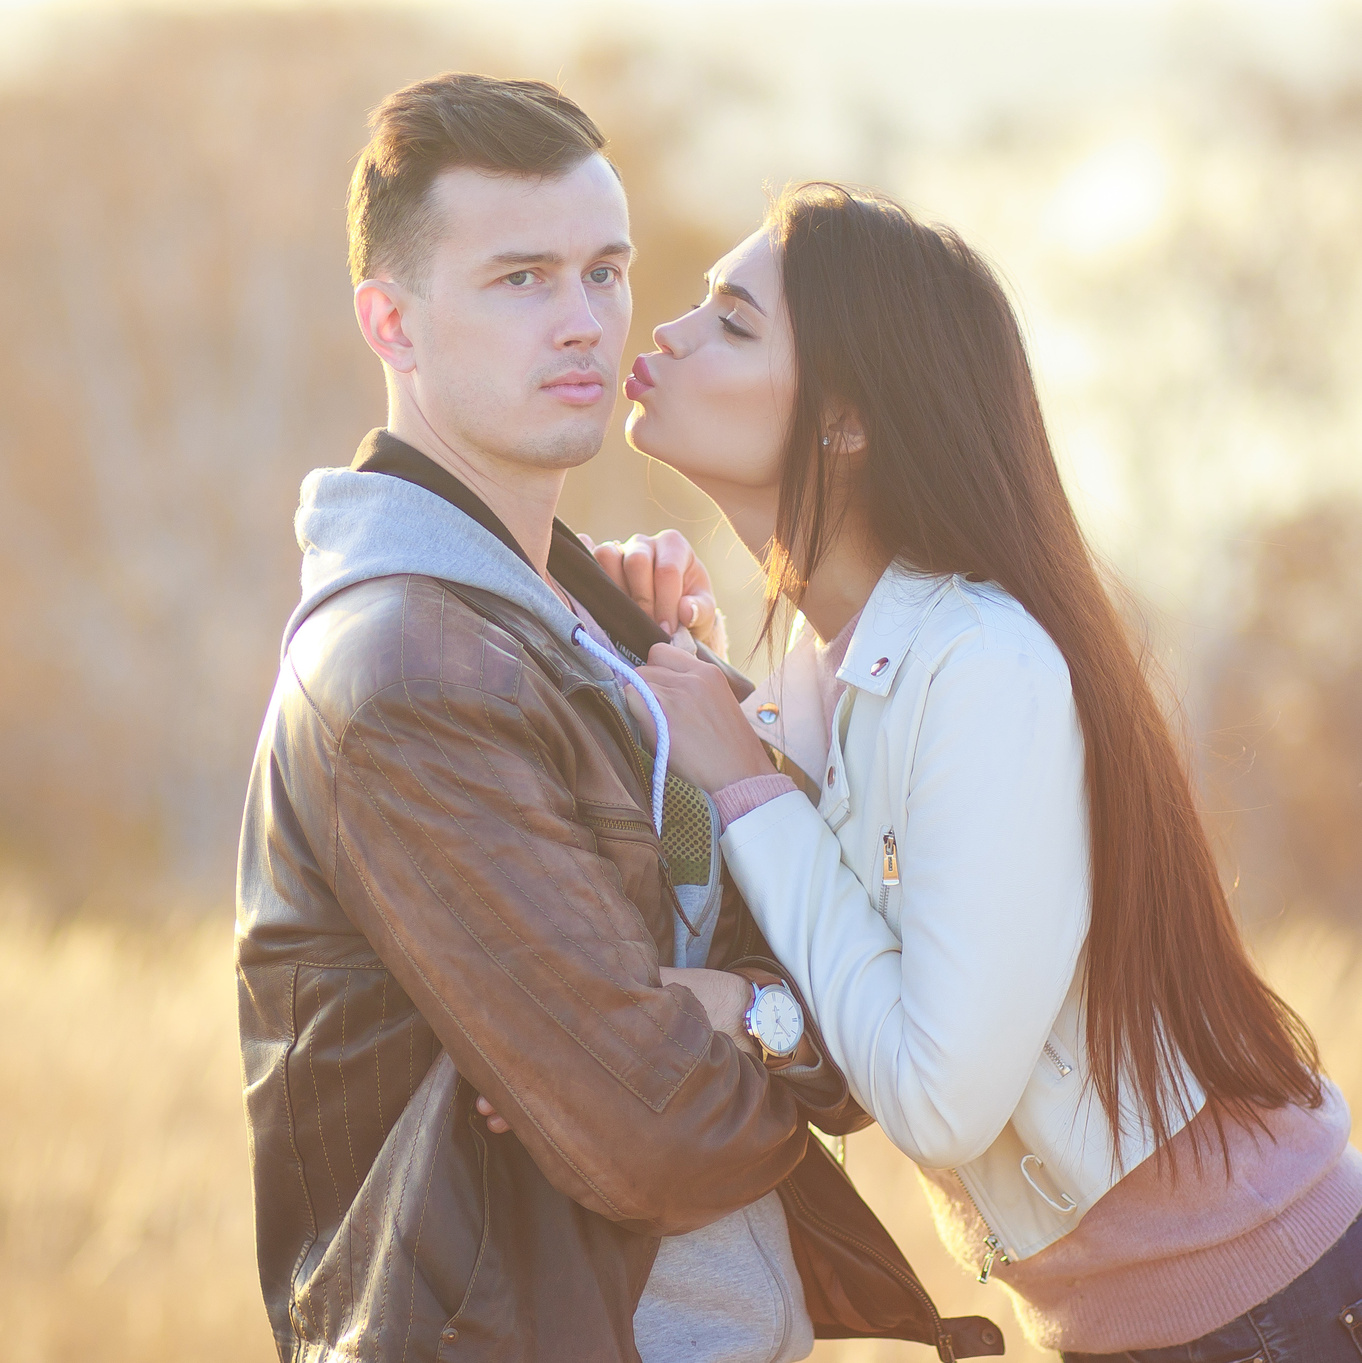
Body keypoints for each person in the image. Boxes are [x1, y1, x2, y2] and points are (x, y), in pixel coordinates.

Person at [235, 77, 1004, 1363]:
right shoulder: (407, 675)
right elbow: (646, 1126)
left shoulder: (587, 629)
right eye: (521, 280)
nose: (585, 322)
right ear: (393, 321)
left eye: (604, 271)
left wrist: (729, 1003)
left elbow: (843, 953)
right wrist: (787, 1029)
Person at [596, 182, 1362, 1362]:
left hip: (1272, 1306)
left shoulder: (982, 661)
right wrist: (666, 675)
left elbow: (940, 1095)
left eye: (734, 323)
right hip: (1139, 1321)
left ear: (846, 423)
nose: (669, 333)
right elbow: (837, 968)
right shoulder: (819, 674)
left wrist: (744, 783)